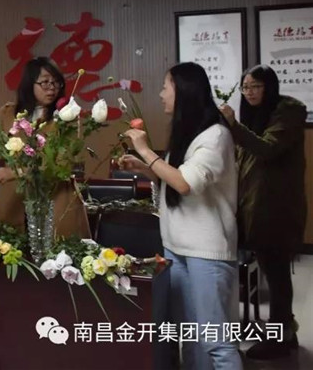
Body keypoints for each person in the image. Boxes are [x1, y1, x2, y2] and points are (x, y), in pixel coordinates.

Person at [121, 62, 241, 370]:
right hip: (177, 246)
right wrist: (145, 168)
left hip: (206, 252)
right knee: (191, 337)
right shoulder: (189, 133)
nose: (161, 94)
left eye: (165, 87)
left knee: (215, 341)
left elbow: (187, 184)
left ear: (183, 91)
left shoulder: (215, 135)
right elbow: (175, 178)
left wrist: (146, 151)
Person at [219, 65, 307, 360]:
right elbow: (244, 158)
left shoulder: (288, 112)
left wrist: (234, 125)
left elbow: (268, 148)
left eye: (256, 86)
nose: (249, 92)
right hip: (256, 207)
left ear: (270, 86)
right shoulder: (257, 116)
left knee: (277, 275)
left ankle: (279, 340)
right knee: (275, 272)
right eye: (245, 87)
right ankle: (286, 333)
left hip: (277, 210)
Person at [0, 57, 90, 238]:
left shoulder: (66, 117)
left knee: (59, 250)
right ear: (30, 84)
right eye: (45, 82)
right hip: (14, 200)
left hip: (56, 198)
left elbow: (62, 165)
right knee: (10, 249)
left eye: (56, 82)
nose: (52, 88)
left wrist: (17, 173)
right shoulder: (8, 113)